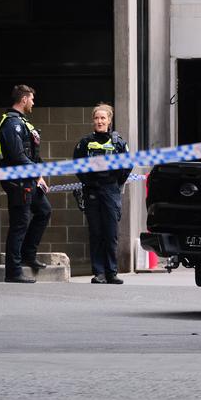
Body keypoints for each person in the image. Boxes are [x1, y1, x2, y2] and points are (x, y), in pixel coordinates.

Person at [0, 84, 51, 283]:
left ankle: (28, 255)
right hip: (18, 182)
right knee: (19, 224)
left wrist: (39, 176)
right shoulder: (11, 124)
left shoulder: (23, 122)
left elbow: (31, 153)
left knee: (44, 211)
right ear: (23, 100)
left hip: (30, 180)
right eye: (32, 99)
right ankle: (13, 271)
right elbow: (17, 155)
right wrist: (37, 172)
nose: (33, 103)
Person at [74, 103, 131, 285]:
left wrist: (115, 181)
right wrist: (88, 181)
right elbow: (77, 164)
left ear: (109, 120)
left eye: (103, 118)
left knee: (111, 233)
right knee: (96, 232)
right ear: (93, 121)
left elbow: (127, 165)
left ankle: (112, 272)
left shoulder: (118, 142)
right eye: (96, 118)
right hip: (92, 191)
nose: (99, 121)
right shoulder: (84, 142)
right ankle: (98, 273)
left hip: (110, 191)